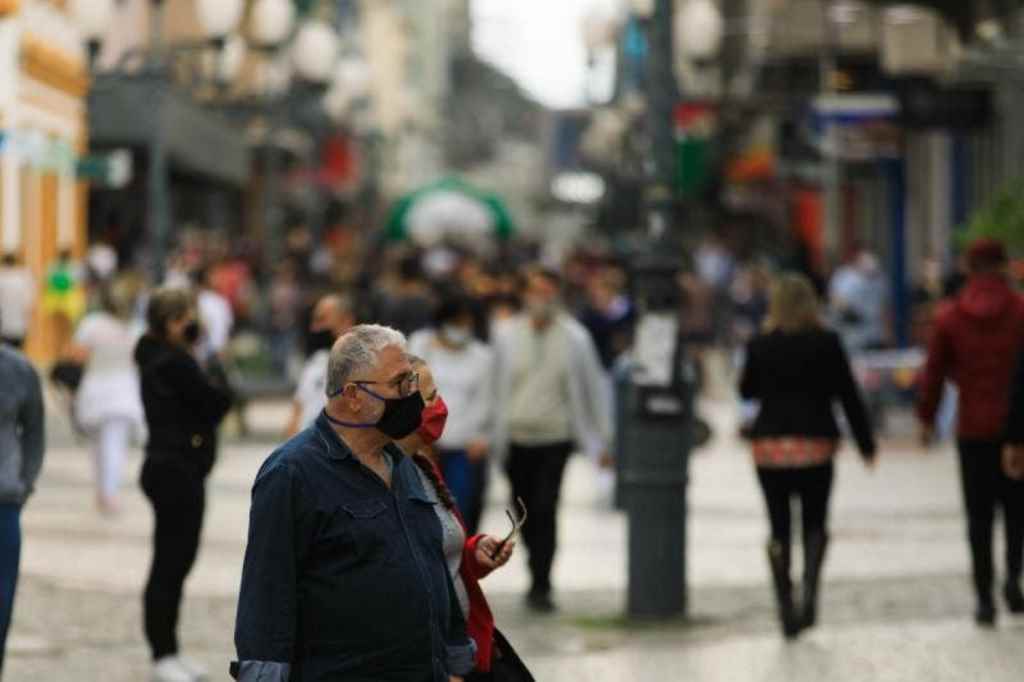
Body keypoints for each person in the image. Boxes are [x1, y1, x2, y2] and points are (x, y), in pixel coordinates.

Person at [233, 324, 475, 682]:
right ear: (353, 395)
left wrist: (455, 659)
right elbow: (268, 590)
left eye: (412, 381)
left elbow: (431, 560)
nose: (413, 396)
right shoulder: (293, 472)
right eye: (399, 384)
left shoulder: (400, 463)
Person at [739, 273, 876, 639]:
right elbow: (847, 394)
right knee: (815, 522)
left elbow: (747, 389)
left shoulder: (760, 343)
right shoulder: (827, 342)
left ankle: (785, 602)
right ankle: (810, 594)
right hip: (816, 444)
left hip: (770, 447)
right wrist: (866, 445)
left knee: (778, 525)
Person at [398, 356, 526, 681]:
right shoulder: (383, 482)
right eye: (430, 398)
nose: (440, 406)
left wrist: (473, 552)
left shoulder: (424, 466)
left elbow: (441, 559)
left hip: (472, 648)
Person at [917, 238, 1024, 627]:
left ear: (968, 267)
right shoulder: (1020, 311)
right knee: (1017, 511)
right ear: (1003, 265)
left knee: (978, 517)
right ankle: (1014, 578)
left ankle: (983, 598)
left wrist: (926, 418)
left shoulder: (951, 316)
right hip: (1018, 428)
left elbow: (933, 372)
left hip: (973, 427)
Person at [493, 267, 613, 612]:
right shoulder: (505, 335)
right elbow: (494, 387)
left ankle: (541, 582)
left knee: (546, 507)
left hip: (555, 437)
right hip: (516, 438)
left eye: (546, 292)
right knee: (523, 509)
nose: (539, 299)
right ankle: (535, 562)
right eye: (534, 291)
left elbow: (594, 389)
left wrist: (603, 440)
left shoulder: (575, 338)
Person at [135, 288, 233, 682]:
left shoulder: (161, 355)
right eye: (182, 319)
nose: (189, 325)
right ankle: (163, 652)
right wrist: (207, 353)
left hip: (174, 465)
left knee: (176, 561)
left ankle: (168, 649)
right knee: (171, 562)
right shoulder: (172, 362)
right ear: (165, 323)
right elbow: (219, 402)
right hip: (175, 468)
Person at [409, 295, 496, 534]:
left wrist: (481, 437)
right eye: (456, 322)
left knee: (458, 509)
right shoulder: (421, 345)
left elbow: (486, 401)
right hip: (422, 444)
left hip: (463, 446)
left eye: (466, 323)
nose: (461, 329)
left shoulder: (482, 357)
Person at [66, 276, 145, 515]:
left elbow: (77, 355)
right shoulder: (137, 328)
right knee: (115, 445)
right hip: (124, 389)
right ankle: (108, 492)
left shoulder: (92, 324)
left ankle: (104, 490)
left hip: (96, 388)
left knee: (98, 445)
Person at [0, 341, 45, 676]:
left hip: (5, 503)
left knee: (1, 606)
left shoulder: (18, 370)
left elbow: (34, 430)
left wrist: (24, 481)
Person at [284, 294, 355, 438]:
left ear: (346, 321)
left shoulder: (362, 363)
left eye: (322, 320)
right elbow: (297, 410)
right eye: (314, 320)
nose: (314, 327)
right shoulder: (317, 360)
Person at [828, 249, 888, 352]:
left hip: (874, 335)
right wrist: (852, 314)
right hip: (852, 336)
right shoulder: (845, 277)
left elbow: (884, 307)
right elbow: (837, 301)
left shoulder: (881, 280)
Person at [0, 253, 37, 349]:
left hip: (5, 323)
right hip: (19, 323)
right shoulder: (24, 278)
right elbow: (29, 302)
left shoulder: (3, 277)